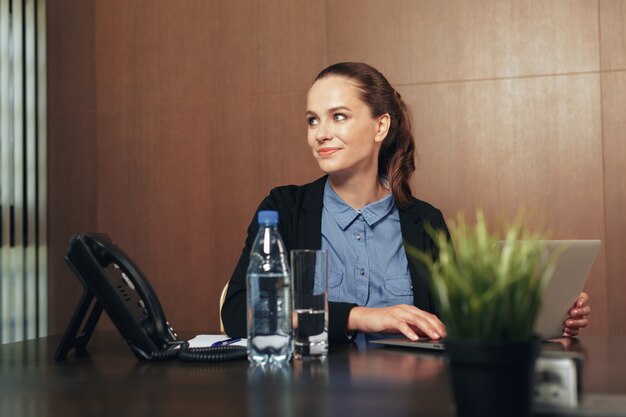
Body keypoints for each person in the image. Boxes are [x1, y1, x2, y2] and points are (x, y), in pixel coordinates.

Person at [220, 62, 590, 343]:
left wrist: (544, 321)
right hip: (310, 398)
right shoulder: (284, 209)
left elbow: (458, 327)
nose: (321, 134)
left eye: (339, 117)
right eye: (313, 120)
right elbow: (241, 313)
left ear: (380, 126)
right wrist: (360, 317)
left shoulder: (424, 221)